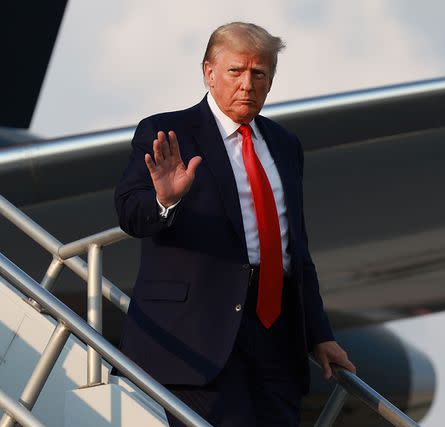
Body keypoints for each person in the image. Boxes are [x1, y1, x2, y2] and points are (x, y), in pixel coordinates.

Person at [114, 22, 355, 426]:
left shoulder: (284, 144)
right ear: (209, 72)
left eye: (259, 74)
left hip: (275, 336)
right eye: (235, 71)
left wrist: (320, 333)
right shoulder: (166, 132)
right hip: (194, 339)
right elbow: (130, 215)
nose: (247, 84)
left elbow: (296, 250)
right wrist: (165, 200)